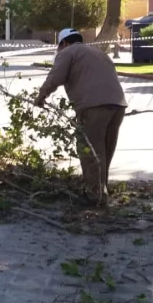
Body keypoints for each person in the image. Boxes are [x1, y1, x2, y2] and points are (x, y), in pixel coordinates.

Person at [35, 28, 128, 206]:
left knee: (90, 151)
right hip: (118, 105)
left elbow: (56, 76)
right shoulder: (99, 53)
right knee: (105, 151)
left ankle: (94, 196)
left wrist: (40, 97)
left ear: (64, 43)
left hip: (94, 107)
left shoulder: (67, 52)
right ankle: (102, 190)